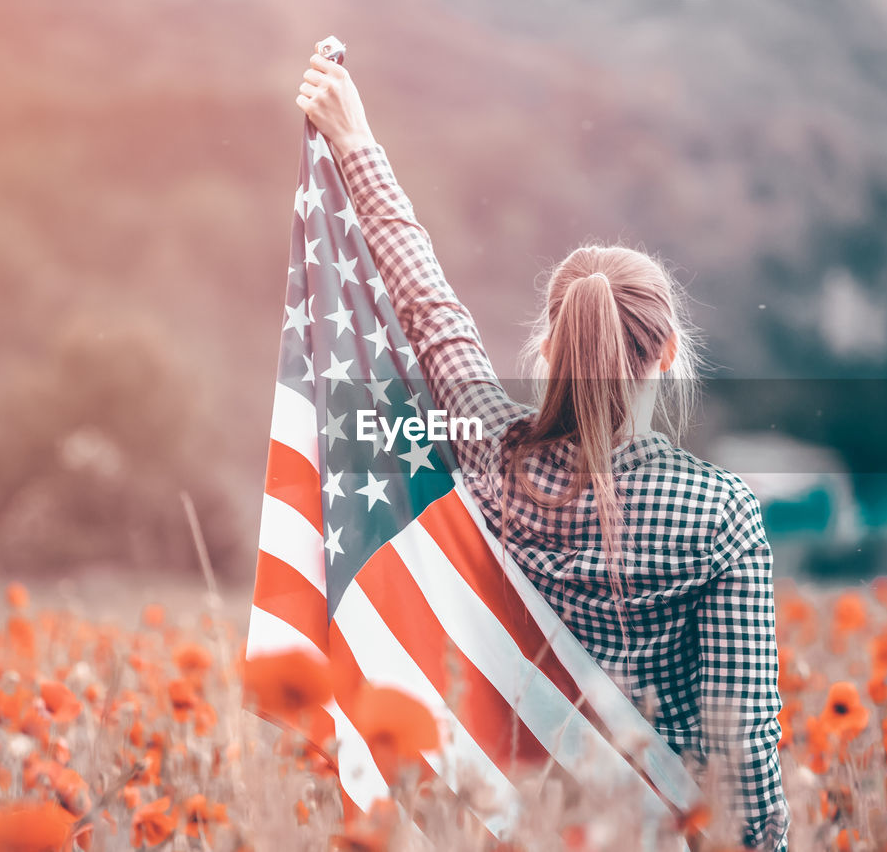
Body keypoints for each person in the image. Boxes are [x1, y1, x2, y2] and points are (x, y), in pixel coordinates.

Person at [295, 46, 790, 851]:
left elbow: (429, 308)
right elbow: (738, 752)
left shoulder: (488, 454)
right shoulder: (720, 513)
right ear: (667, 352)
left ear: (549, 348)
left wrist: (355, 143)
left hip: (508, 829)